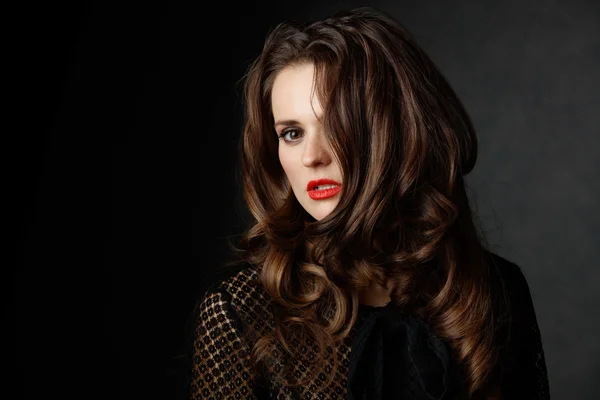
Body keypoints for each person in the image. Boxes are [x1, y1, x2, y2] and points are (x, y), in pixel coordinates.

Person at [183, 6, 550, 400]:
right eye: (291, 133)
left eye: (338, 124)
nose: (312, 156)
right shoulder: (242, 311)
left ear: (399, 132)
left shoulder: (494, 290)